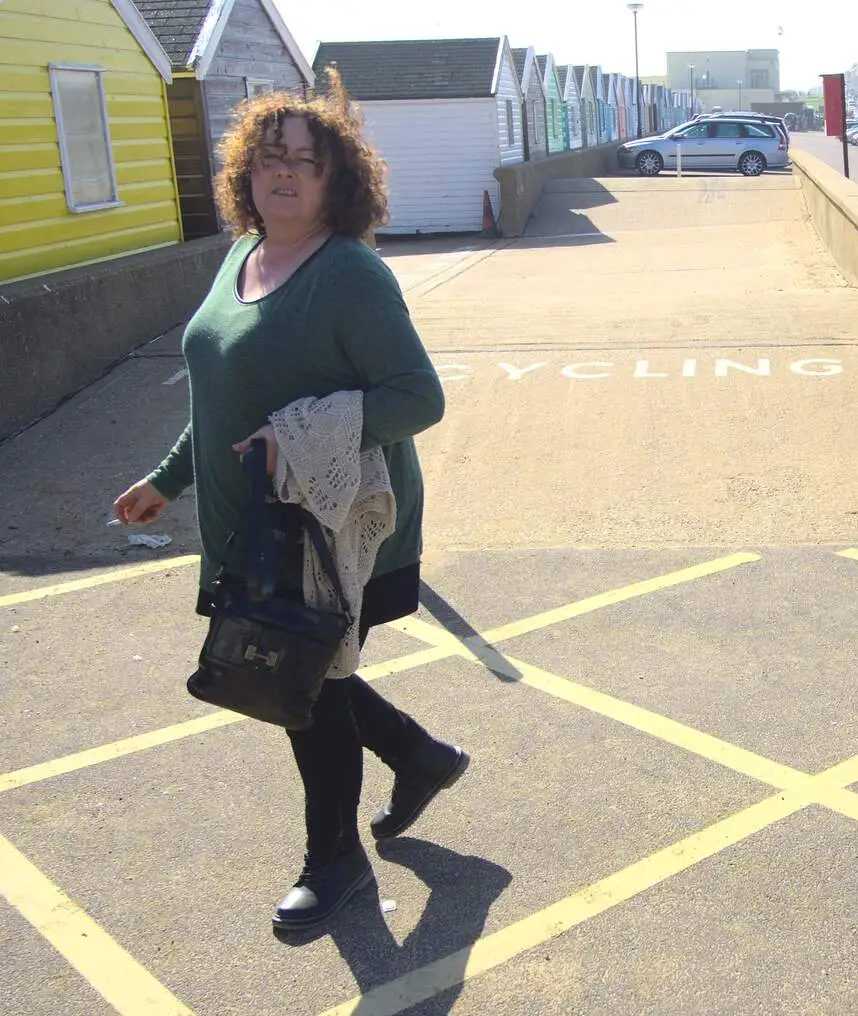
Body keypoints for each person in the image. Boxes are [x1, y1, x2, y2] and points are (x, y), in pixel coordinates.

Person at [112, 75, 467, 933]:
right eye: (271, 159)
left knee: (299, 687)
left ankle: (334, 859)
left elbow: (418, 398)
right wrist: (169, 477)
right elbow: (222, 394)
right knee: (312, 673)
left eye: (306, 164)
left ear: (335, 180)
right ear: (246, 171)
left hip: (334, 531)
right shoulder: (242, 255)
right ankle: (421, 756)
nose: (286, 176)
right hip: (253, 529)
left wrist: (300, 435)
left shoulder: (348, 274)